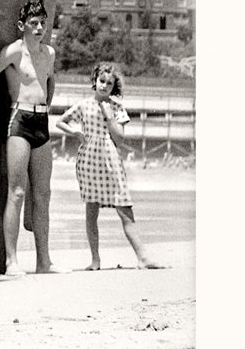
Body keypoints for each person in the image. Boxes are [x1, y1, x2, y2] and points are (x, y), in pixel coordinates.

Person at [0, 0, 57, 276]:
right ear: (22, 26)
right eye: (33, 23)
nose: (39, 28)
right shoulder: (14, 51)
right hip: (19, 120)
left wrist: (47, 105)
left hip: (42, 121)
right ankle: (11, 261)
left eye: (42, 23)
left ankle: (44, 261)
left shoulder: (49, 53)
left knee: (43, 194)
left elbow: (49, 80)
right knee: (17, 192)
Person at [55, 62, 165, 270]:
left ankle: (142, 257)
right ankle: (95, 260)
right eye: (101, 81)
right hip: (88, 161)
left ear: (114, 87)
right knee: (91, 210)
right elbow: (60, 121)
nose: (104, 85)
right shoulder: (84, 105)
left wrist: (108, 115)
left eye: (109, 83)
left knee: (124, 207)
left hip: (111, 160)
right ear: (95, 81)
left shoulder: (116, 107)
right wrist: (75, 133)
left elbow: (120, 138)